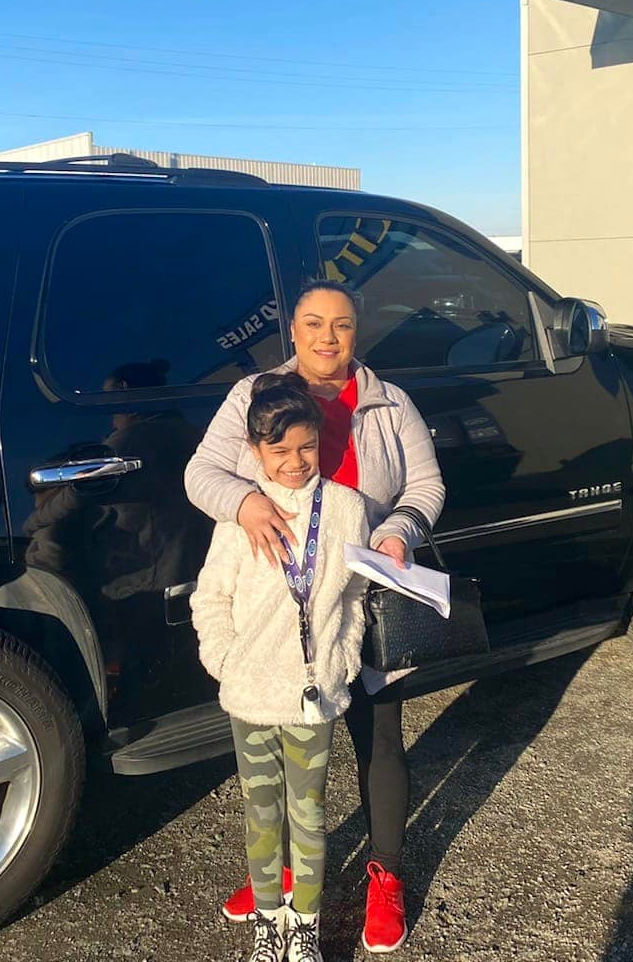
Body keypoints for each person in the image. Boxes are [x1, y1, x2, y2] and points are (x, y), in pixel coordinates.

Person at [186, 280, 445, 954]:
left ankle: (384, 874)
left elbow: (426, 484)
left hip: (360, 589)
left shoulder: (389, 400)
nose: (328, 337)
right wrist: (244, 502)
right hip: (279, 608)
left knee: (379, 737)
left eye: (343, 324)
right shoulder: (255, 395)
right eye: (313, 323)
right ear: (293, 330)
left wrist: (399, 531)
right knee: (281, 774)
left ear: (358, 331)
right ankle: (276, 880)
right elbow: (202, 472)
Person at [191, 372, 371, 962]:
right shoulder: (240, 516)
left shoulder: (345, 509)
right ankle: (269, 925)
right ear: (254, 451)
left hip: (313, 695)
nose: (295, 462)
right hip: (250, 695)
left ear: (320, 441)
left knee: (309, 814)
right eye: (279, 451)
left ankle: (305, 929)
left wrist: (342, 658)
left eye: (306, 447)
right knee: (262, 817)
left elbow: (354, 595)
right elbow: (210, 598)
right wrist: (226, 663)